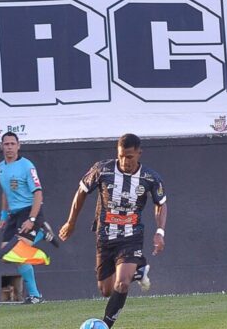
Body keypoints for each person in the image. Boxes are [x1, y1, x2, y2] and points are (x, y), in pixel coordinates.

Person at [58, 134, 168, 329]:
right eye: (121, 156)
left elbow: (161, 204)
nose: (125, 161)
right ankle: (138, 272)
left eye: (130, 157)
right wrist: (71, 222)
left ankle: (106, 325)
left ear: (139, 153)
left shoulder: (150, 177)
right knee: (106, 290)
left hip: (131, 237)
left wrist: (160, 231)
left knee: (122, 283)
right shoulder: (102, 169)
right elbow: (81, 192)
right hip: (105, 237)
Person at [0, 132, 59, 305]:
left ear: (19, 146)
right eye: (6, 144)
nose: (9, 147)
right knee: (8, 255)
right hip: (13, 215)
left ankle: (34, 296)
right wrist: (3, 215)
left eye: (12, 144)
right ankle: (42, 233)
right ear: (1, 146)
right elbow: (5, 192)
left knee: (19, 250)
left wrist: (31, 219)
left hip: (29, 212)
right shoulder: (1, 167)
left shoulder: (27, 166)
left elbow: (38, 193)